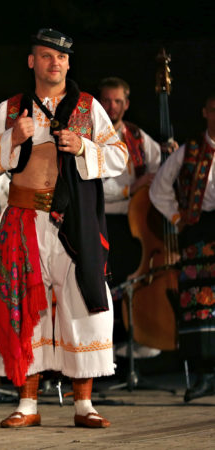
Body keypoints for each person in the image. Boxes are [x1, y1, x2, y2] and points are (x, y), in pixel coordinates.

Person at [0, 28, 129, 428]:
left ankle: (84, 406)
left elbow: (119, 157)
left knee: (83, 304)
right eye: (46, 56)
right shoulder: (11, 109)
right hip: (23, 220)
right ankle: (27, 405)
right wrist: (12, 137)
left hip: (73, 220)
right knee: (25, 305)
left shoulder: (88, 107)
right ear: (32, 61)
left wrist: (83, 148)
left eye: (61, 57)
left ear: (68, 63)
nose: (54, 62)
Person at [149, 94, 215, 402]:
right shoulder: (189, 151)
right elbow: (158, 188)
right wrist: (178, 217)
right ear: (205, 111)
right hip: (199, 231)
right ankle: (204, 376)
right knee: (197, 306)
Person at [98, 77, 163, 358]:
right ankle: (102, 352)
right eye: (107, 101)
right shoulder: (89, 136)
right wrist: (129, 188)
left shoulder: (136, 136)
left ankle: (130, 350)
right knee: (103, 287)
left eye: (117, 101)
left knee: (130, 283)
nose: (111, 107)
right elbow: (93, 183)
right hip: (101, 221)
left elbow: (157, 166)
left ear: (126, 104)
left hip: (132, 224)